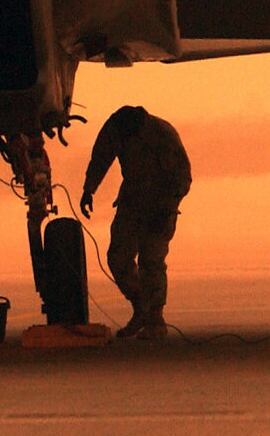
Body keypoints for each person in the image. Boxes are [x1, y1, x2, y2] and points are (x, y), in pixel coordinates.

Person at [80, 105, 192, 339]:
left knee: (152, 260)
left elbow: (183, 176)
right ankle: (141, 307)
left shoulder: (162, 133)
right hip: (132, 202)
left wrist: (168, 207)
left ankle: (156, 319)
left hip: (161, 203)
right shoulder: (115, 128)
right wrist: (89, 190)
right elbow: (101, 157)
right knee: (118, 258)